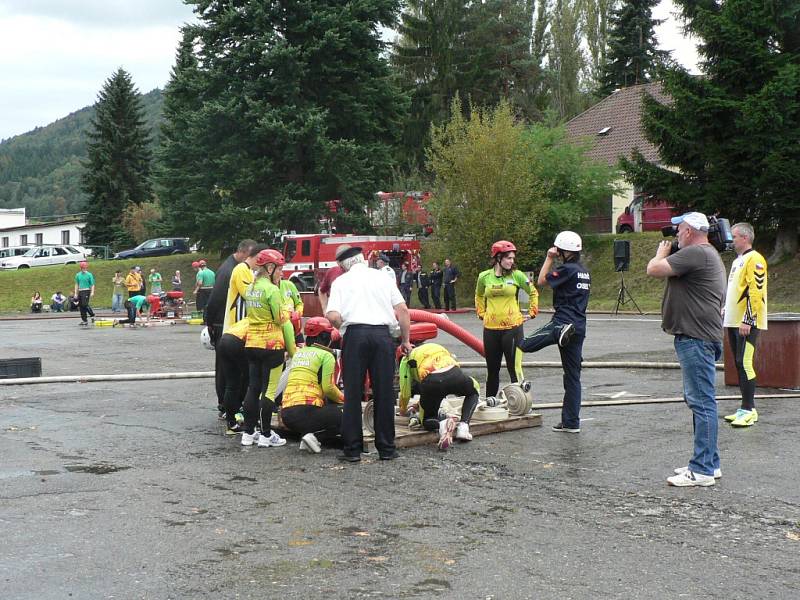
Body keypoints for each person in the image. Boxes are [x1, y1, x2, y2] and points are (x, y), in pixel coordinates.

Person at [647, 212, 726, 487]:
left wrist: (660, 253)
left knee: (702, 402)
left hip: (696, 338)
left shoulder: (697, 253)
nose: (676, 234)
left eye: (679, 229)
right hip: (699, 337)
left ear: (690, 231)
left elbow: (654, 270)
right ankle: (709, 463)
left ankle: (702, 468)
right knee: (701, 401)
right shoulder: (705, 254)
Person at [326, 244, 412, 462]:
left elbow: (333, 316)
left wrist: (345, 325)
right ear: (363, 259)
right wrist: (405, 340)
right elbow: (402, 310)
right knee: (384, 391)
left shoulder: (340, 282)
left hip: (355, 335)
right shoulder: (383, 277)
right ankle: (387, 448)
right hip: (383, 337)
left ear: (342, 265)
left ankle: (353, 450)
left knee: (353, 393)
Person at [517, 232, 588, 433]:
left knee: (525, 344)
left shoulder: (567, 269)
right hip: (580, 326)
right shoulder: (584, 271)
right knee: (573, 378)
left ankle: (558, 332)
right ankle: (571, 423)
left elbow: (540, 281)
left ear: (563, 250)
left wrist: (549, 257)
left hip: (563, 321)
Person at [240, 249, 295, 448]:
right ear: (270, 268)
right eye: (279, 269)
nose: (281, 273)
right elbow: (280, 318)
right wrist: (288, 309)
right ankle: (265, 434)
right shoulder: (272, 290)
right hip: (272, 344)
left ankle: (248, 433)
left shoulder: (251, 288)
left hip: (251, 342)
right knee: (269, 390)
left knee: (253, 388)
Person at [476, 241, 538, 398]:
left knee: (514, 368)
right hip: (490, 329)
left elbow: (533, 292)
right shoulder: (484, 277)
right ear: (498, 258)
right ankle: (490, 402)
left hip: (513, 328)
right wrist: (481, 312)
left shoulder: (517, 275)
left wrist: (532, 312)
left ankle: (523, 403)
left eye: (512, 258)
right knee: (492, 370)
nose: (511, 261)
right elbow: (479, 295)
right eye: (508, 258)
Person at [205, 240, 259, 417]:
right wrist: (210, 322)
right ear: (243, 252)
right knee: (225, 369)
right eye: (251, 256)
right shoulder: (229, 270)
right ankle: (224, 404)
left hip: (230, 323)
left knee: (228, 368)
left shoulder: (235, 268)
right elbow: (215, 299)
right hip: (225, 323)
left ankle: (229, 405)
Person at [723, 222, 767, 428]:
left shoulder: (755, 259)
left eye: (734, 237)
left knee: (745, 363)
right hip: (733, 322)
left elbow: (756, 291)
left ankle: (749, 410)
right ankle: (744, 408)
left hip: (746, 323)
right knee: (739, 364)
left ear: (745, 238)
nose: (731, 240)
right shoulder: (738, 261)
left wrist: (748, 319)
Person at [280, 317, 345, 453]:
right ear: (323, 336)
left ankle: (308, 438)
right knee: (344, 415)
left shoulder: (298, 353)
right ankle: (315, 437)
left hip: (286, 414)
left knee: (325, 408)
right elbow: (328, 388)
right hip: (306, 411)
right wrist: (345, 399)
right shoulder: (326, 356)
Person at [399, 342, 479, 450]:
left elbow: (405, 391)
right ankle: (463, 427)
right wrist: (419, 404)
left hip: (432, 382)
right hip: (454, 374)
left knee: (427, 420)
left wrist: (403, 410)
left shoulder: (405, 360)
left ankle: (443, 424)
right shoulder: (433, 346)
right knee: (473, 391)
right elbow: (446, 377)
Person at [215, 317, 250, 434]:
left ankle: (231, 424)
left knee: (232, 384)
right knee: (251, 380)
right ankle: (249, 419)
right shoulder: (266, 323)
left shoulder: (250, 317)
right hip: (237, 342)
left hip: (224, 339)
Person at [73, 261, 96, 326]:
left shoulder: (89, 275)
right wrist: (76, 293)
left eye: (84, 268)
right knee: (81, 306)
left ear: (86, 267)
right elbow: (77, 284)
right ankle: (84, 320)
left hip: (86, 290)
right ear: (80, 268)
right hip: (80, 291)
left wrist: (92, 292)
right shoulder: (78, 275)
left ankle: (92, 315)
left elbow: (92, 284)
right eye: (82, 268)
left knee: (84, 304)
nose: (83, 269)